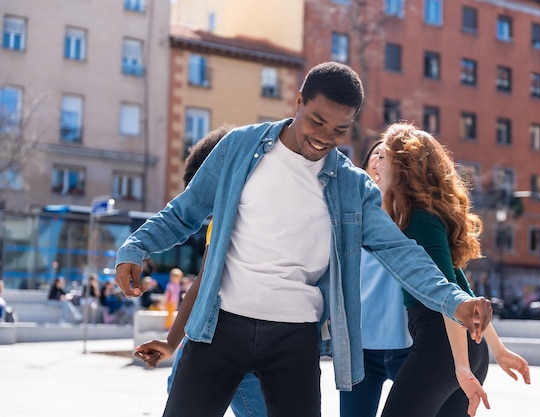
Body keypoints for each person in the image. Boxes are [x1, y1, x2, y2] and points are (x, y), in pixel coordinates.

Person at [115, 62, 492, 417]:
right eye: (317, 121)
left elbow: (399, 252)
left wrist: (453, 300)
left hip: (293, 341)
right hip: (219, 329)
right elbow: (184, 212)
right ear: (299, 100)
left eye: (340, 130)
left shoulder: (351, 186)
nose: (325, 138)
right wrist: (135, 247)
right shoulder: (239, 149)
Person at [370, 123, 530, 417]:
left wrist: (460, 365)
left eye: (383, 155)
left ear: (403, 166)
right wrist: (498, 350)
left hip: (443, 348)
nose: (376, 162)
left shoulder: (421, 220)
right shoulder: (421, 217)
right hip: (462, 351)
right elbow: (464, 292)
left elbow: (450, 298)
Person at [136, 125, 268, 417]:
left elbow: (203, 282)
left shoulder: (230, 217)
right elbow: (203, 281)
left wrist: (173, 342)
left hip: (222, 344)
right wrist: (173, 342)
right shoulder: (232, 218)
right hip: (242, 344)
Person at [339, 141, 412, 417]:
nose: (380, 160)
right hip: (360, 349)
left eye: (388, 156)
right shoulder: (348, 213)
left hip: (407, 346)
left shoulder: (413, 217)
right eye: (376, 154)